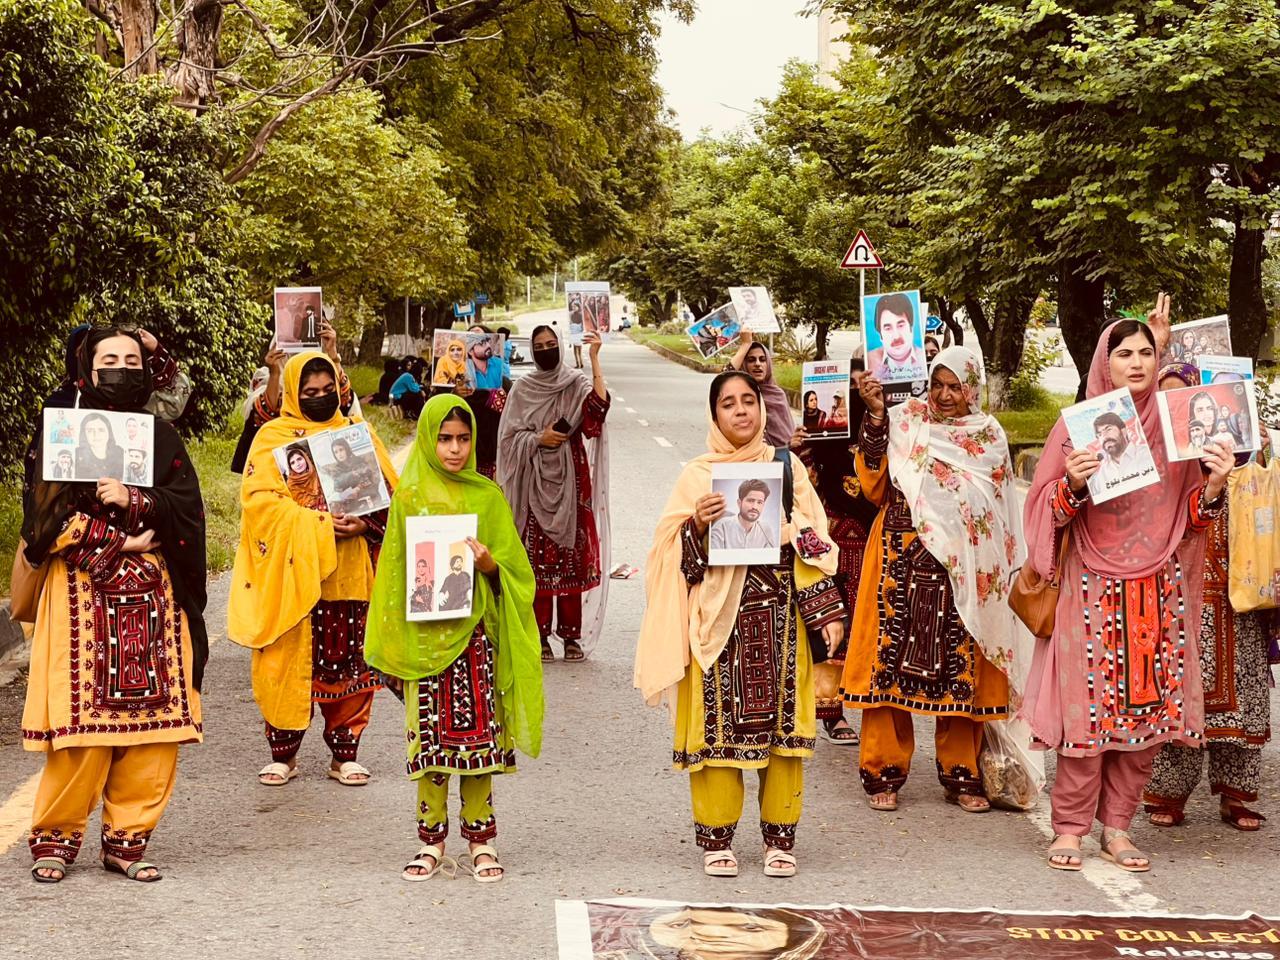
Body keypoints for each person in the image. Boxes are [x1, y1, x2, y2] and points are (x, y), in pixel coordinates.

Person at [1022, 306, 1234, 872]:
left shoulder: (1176, 427)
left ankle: (1117, 828)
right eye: (1124, 353)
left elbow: (1190, 515)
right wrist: (1071, 483)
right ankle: (1069, 827)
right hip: (1090, 585)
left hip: (1158, 587)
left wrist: (1213, 485)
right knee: (1086, 716)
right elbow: (1044, 508)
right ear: (1104, 364)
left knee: (1144, 719)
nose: (1136, 362)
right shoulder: (1076, 427)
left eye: (1145, 352)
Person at [635, 369, 845, 879]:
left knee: (784, 730)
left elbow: (817, 538)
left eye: (748, 400)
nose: (741, 411)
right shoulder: (698, 476)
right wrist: (698, 527)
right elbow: (670, 559)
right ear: (715, 415)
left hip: (782, 620)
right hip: (716, 622)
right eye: (728, 404)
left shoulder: (786, 467)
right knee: (716, 730)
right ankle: (717, 838)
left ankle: (780, 838)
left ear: (762, 407)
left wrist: (827, 611)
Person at [21, 326, 207, 883]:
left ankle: (127, 842)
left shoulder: (158, 433)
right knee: (81, 731)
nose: (122, 368)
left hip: (156, 597)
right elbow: (41, 516)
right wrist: (116, 540)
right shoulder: (59, 426)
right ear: (87, 365)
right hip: (80, 593)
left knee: (154, 731)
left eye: (132, 358)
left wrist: (138, 499)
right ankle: (55, 840)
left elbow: (187, 505)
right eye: (110, 359)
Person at [364, 394, 543, 883]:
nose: (455, 448)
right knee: (430, 749)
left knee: (479, 745)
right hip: (425, 645)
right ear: (428, 439)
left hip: (475, 643)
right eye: (444, 438)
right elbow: (393, 574)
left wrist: (490, 567)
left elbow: (518, 574)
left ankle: (482, 841)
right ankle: (432, 842)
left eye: (463, 438)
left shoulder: (486, 497)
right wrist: (391, 643)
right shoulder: (409, 498)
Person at [843, 347, 1028, 814]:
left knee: (962, 666)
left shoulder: (988, 435)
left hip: (965, 568)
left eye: (956, 386)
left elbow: (1000, 506)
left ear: (972, 388)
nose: (945, 396)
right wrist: (876, 416)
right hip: (897, 559)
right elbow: (875, 486)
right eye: (938, 384)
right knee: (887, 668)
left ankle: (962, 773)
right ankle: (882, 769)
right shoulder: (905, 420)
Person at [228, 351, 398, 789]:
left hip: (349, 573)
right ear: (291, 393)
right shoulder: (272, 437)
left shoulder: (356, 433)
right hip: (292, 575)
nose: (320, 398)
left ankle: (346, 753)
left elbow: (392, 497)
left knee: (349, 662)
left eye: (327, 391)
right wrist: (321, 526)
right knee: (286, 659)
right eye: (310, 392)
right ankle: (283, 753)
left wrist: (366, 522)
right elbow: (260, 504)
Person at [1145, 368, 1272, 833]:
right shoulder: (1158, 462)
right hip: (1177, 595)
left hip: (1239, 597)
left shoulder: (1247, 457)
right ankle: (1167, 792)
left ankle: (1237, 795)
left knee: (1244, 690)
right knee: (1177, 690)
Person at [497, 325, 611, 663]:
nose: (547, 350)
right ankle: (541, 634)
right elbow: (508, 439)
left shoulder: (575, 383)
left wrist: (594, 361)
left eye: (551, 344)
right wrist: (537, 439)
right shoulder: (522, 389)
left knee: (571, 556)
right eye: (540, 346)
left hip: (572, 480)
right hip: (533, 479)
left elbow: (595, 417)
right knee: (537, 559)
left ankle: (571, 637)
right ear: (532, 352)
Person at [791, 358, 878, 745]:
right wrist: (801, 450)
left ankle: (871, 700)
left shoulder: (884, 429)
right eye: (852, 385)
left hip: (874, 537)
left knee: (872, 621)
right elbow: (807, 485)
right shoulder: (824, 435)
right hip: (834, 537)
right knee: (832, 619)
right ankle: (830, 712)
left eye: (866, 384)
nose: (859, 392)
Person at [728, 331, 794, 448]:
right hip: (749, 458)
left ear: (768, 364)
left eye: (762, 359)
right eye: (751, 360)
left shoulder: (778, 395)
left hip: (780, 460)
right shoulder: (739, 394)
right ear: (744, 364)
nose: (758, 364)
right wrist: (745, 345)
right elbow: (724, 379)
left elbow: (788, 437)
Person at [866, 293, 925, 382]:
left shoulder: (925, 360)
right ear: (880, 335)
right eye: (888, 328)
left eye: (901, 325)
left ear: (911, 328)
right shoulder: (869, 361)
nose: (896, 336)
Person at [709, 479, 778, 550]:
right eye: (750, 501)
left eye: (759, 502)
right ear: (739, 503)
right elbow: (716, 559)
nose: (755, 507)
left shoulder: (766, 530)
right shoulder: (721, 526)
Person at [1091, 412, 1147, 488]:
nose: (1104, 437)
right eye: (1099, 434)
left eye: (1108, 429)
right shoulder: (1099, 478)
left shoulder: (1147, 454)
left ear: (1123, 431)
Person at [327, 436, 381, 515]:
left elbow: (368, 478)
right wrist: (351, 475)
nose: (339, 454)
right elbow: (337, 486)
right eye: (336, 452)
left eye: (341, 450)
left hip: (369, 496)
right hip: (351, 504)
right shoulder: (336, 470)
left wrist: (358, 487)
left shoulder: (359, 461)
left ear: (347, 449)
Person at [74, 412, 124, 480]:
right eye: (90, 430)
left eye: (101, 430)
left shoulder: (121, 453)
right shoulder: (75, 455)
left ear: (109, 432)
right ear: (84, 434)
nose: (96, 435)